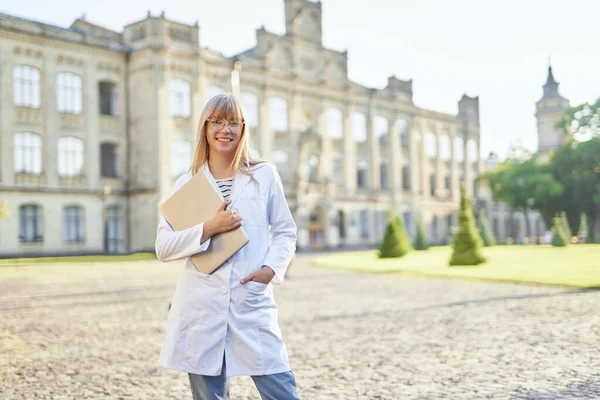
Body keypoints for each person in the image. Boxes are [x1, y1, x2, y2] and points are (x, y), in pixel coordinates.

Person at [155, 94, 300, 400]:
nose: (226, 129)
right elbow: (164, 247)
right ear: (205, 128)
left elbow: (286, 230)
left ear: (243, 129)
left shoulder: (263, 176)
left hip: (251, 301)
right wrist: (209, 228)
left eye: (234, 122)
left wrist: (270, 270)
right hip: (201, 306)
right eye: (217, 121)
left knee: (281, 390)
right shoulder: (187, 183)